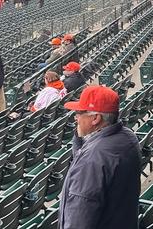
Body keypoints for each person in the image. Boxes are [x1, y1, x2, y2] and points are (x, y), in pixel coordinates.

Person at [59, 86, 142, 229]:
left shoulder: (92, 160)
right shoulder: (128, 137)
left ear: (95, 118)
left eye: (79, 113)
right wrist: (79, 139)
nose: (76, 117)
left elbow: (79, 218)